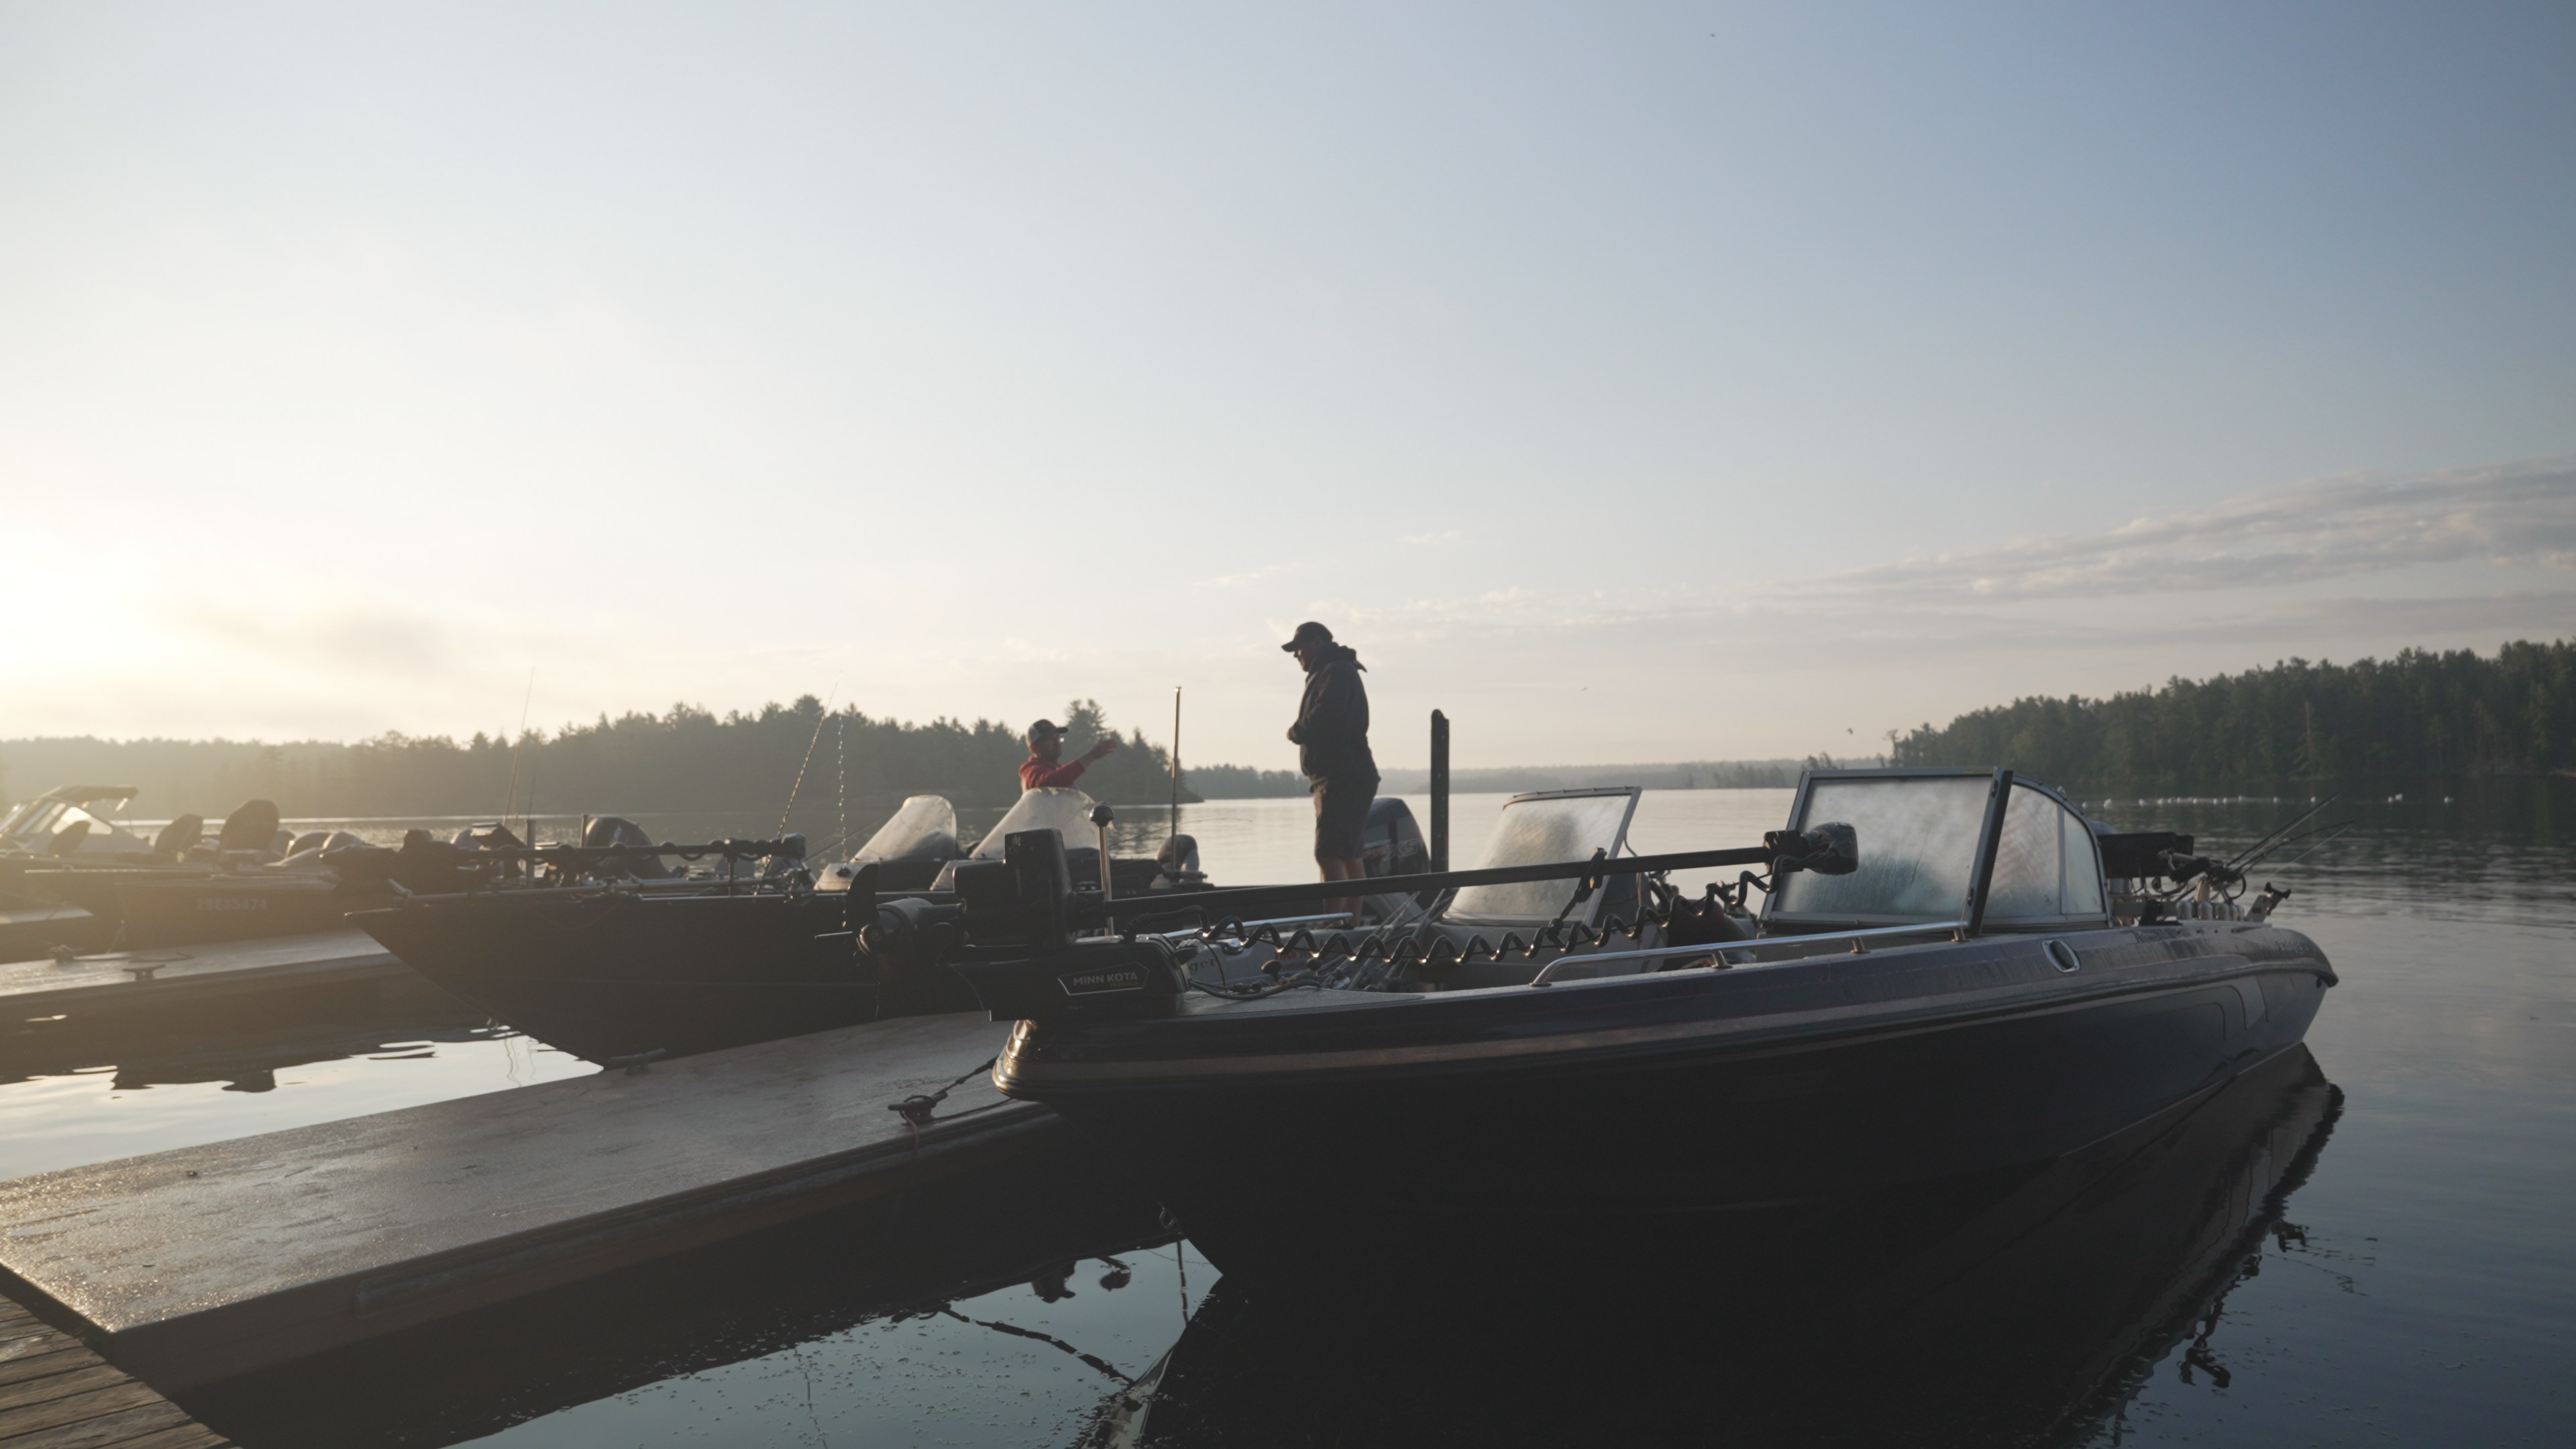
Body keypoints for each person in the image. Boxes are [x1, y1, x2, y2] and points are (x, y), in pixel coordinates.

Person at [1283, 621, 1378, 910]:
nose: (1296, 655)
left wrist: (1296, 731)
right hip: (1345, 776)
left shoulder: (1335, 670)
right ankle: (1347, 927)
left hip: (1340, 777)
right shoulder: (1333, 669)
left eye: (1298, 648)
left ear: (1317, 643)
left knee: (1329, 854)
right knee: (1348, 854)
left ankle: (1335, 929)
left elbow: (1326, 714)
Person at [1020, 718, 1121, 792]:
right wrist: (1091, 755)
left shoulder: (1057, 770)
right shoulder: (1031, 771)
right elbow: (1052, 781)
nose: (1057, 743)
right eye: (1051, 739)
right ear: (1035, 748)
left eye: (1058, 738)